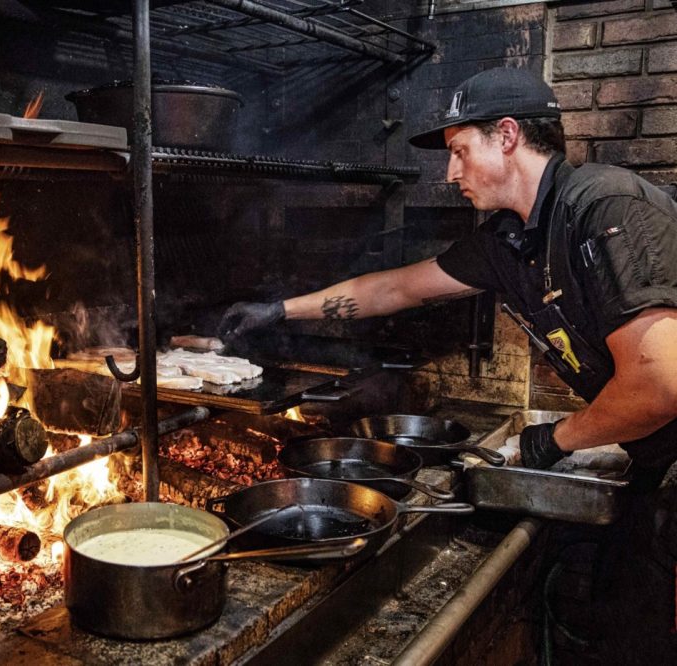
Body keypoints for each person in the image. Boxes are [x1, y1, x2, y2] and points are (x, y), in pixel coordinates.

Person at [219, 67, 677, 660]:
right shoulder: (510, 241)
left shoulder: (605, 207)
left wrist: (555, 440)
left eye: (460, 151)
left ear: (507, 135)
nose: (450, 172)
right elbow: (395, 289)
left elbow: (661, 384)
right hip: (655, 465)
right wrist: (278, 310)